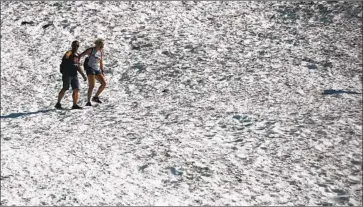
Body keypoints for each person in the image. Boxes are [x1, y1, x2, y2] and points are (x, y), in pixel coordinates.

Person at [55, 40, 87, 109]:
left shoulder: (77, 55)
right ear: (72, 46)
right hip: (67, 74)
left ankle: (74, 105)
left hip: (74, 74)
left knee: (76, 89)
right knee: (65, 88)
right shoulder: (69, 52)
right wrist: (68, 57)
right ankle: (58, 103)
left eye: (77, 46)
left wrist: (83, 75)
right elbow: (65, 58)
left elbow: (77, 66)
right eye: (74, 45)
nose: (75, 47)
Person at [79, 38, 107, 106]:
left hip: (97, 69)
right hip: (90, 68)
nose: (101, 47)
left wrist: (102, 70)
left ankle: (95, 97)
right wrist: (77, 62)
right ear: (97, 44)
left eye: (102, 46)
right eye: (100, 46)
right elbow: (81, 55)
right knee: (92, 85)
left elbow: (101, 62)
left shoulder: (100, 52)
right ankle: (88, 101)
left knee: (103, 83)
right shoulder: (91, 50)